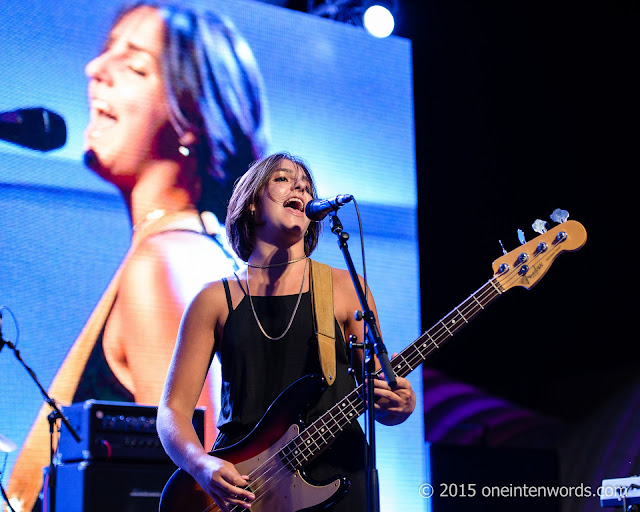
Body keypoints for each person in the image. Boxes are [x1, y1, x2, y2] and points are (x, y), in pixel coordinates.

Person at [6, 3, 268, 511]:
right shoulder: (186, 248)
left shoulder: (163, 264)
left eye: (134, 65)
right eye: (105, 53)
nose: (93, 69)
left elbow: (205, 493)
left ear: (190, 118)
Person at [157, 152, 416, 511]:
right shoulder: (214, 300)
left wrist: (399, 404)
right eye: (282, 179)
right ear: (251, 205)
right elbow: (172, 411)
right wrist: (201, 465)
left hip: (340, 482)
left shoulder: (343, 288)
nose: (300, 187)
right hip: (245, 491)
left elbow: (378, 394)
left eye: (307, 187)